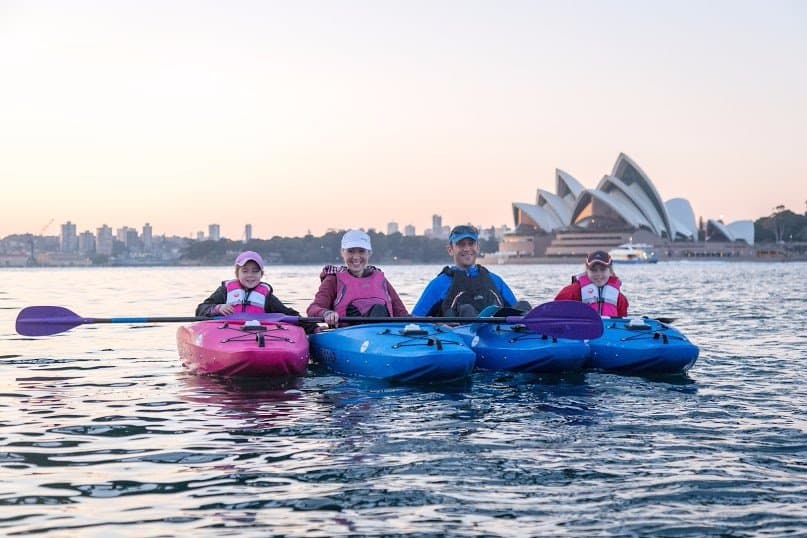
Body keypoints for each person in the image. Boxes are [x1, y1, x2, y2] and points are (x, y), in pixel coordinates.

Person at [412, 225, 529, 317]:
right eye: (461, 244)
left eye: (471, 244)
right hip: (458, 337)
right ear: (450, 249)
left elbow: (515, 310)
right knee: (467, 310)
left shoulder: (495, 280)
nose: (467, 249)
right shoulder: (438, 284)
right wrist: (439, 325)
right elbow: (414, 319)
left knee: (523, 305)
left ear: (477, 247)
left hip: (495, 336)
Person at [307, 229, 409, 327]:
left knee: (378, 310)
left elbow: (402, 313)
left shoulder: (380, 279)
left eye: (361, 251)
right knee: (377, 310)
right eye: (350, 251)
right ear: (343, 252)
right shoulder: (333, 280)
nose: (356, 257)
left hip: (383, 332)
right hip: (349, 334)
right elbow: (313, 309)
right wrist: (326, 313)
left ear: (369, 253)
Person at [196, 251, 316, 332]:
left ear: (261, 274)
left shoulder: (266, 297)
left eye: (255, 271)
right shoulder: (224, 292)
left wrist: (313, 327)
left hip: (257, 333)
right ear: (236, 273)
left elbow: (288, 314)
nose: (250, 275)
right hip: (228, 332)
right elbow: (201, 309)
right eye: (245, 271)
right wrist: (217, 308)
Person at [555, 250, 629, 317]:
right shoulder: (572, 291)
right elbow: (554, 311)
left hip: (610, 329)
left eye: (602, 270)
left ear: (610, 271)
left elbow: (623, 322)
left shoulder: (620, 298)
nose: (598, 274)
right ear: (587, 271)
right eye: (593, 270)